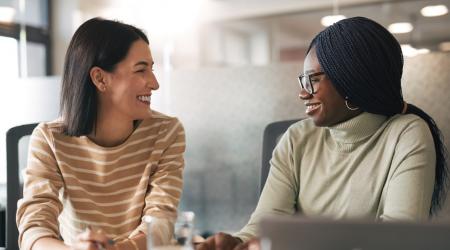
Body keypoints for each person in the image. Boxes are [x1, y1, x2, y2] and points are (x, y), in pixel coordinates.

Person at [197, 16, 448, 250]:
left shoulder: (407, 135)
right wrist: (237, 242)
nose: (303, 93)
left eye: (313, 79)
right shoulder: (296, 139)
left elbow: (397, 241)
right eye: (302, 80)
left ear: (351, 78)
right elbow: (263, 226)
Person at [16, 17, 186, 250]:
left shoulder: (166, 132)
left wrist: (116, 249)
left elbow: (161, 222)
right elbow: (34, 229)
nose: (154, 83)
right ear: (100, 78)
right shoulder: (48, 139)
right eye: (141, 70)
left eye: (151, 69)